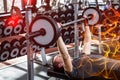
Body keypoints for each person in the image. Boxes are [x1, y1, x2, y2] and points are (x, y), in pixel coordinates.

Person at [52, 20, 120, 80]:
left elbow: (87, 41)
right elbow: (65, 55)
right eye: (58, 57)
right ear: (60, 65)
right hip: (114, 72)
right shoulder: (72, 71)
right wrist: (58, 34)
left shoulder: (81, 58)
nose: (59, 55)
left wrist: (86, 24)